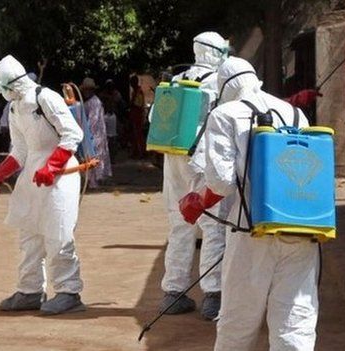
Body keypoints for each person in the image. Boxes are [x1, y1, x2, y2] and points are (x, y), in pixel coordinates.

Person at [179, 57, 318, 350]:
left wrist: (197, 202)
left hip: (250, 231)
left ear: (224, 86)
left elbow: (221, 182)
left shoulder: (224, 114)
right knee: (295, 319)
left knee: (238, 320)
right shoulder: (296, 114)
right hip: (300, 226)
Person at [0, 55, 86, 315]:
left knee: (58, 234)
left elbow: (72, 134)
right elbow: (19, 151)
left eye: (3, 88)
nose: (4, 93)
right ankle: (29, 291)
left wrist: (52, 166)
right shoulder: (16, 108)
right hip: (33, 177)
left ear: (11, 85)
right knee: (29, 234)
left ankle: (68, 292)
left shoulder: (46, 98)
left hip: (61, 175)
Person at [157, 32, 229, 321]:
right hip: (203, 158)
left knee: (179, 222)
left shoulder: (176, 80)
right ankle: (213, 295)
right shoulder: (220, 82)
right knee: (212, 223)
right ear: (216, 52)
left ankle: (173, 292)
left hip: (173, 158)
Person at [80, 77, 112, 188]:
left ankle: (94, 181)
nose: (86, 92)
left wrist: (85, 132)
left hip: (95, 135)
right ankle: (92, 180)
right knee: (92, 156)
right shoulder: (90, 102)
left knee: (93, 157)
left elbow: (92, 120)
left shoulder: (94, 102)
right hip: (94, 134)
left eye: (88, 90)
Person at [99, 79, 125, 162]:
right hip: (105, 116)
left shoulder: (116, 94)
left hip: (114, 116)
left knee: (114, 137)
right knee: (106, 137)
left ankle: (112, 157)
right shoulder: (102, 95)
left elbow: (121, 105)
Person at [128, 75, 146, 159]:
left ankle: (141, 152)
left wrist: (131, 104)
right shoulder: (135, 91)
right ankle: (135, 152)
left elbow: (138, 104)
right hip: (134, 115)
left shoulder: (138, 92)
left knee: (138, 134)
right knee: (134, 135)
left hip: (138, 115)